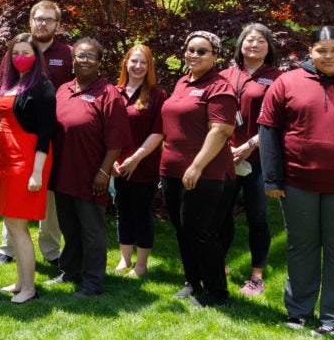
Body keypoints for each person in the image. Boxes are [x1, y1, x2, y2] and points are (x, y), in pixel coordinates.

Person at [259, 26, 334, 336]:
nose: (328, 55)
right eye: (322, 50)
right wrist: (272, 179)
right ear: (311, 51)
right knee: (301, 248)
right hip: (297, 182)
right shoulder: (287, 83)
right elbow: (268, 130)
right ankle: (298, 313)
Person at [0, 0, 72, 267]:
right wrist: (4, 125)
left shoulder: (67, 54)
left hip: (52, 136)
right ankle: (8, 248)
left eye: (49, 19)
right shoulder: (17, 50)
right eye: (39, 18)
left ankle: (50, 249)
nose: (43, 23)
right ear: (30, 21)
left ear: (57, 25)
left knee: (47, 193)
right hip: (19, 138)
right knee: (13, 192)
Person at [160, 31, 236, 307]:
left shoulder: (220, 87)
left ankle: (217, 293)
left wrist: (196, 166)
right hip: (172, 170)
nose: (194, 55)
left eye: (201, 51)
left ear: (215, 55)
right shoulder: (182, 82)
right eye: (190, 50)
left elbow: (221, 130)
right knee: (183, 230)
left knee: (203, 233)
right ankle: (193, 281)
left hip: (206, 172)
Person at [50, 38, 129, 297]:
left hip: (91, 175)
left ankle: (93, 281)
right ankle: (70, 271)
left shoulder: (109, 94)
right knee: (69, 227)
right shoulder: (63, 89)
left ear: (99, 62)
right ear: (72, 61)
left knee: (92, 230)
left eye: (89, 57)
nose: (83, 61)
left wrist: (104, 172)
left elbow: (116, 141)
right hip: (62, 172)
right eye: (79, 56)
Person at [0, 32, 56, 304]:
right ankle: (20, 281)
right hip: (5, 159)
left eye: (27, 53)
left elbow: (46, 132)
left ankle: (29, 289)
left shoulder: (42, 87)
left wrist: (37, 172)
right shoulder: (11, 83)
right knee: (10, 221)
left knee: (18, 225)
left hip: (28, 160)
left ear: (36, 57)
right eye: (16, 53)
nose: (21, 58)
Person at [218, 24, 281, 296]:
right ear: (240, 45)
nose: (253, 45)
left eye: (260, 41)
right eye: (248, 40)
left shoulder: (278, 79)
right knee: (220, 215)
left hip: (257, 157)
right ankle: (217, 264)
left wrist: (248, 145)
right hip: (223, 157)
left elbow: (279, 122)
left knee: (257, 217)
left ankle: (256, 275)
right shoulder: (224, 75)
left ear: (269, 48)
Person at [112, 44, 166, 277]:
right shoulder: (114, 92)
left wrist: (135, 159)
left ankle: (141, 264)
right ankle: (124, 259)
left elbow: (158, 132)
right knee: (122, 211)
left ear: (149, 66)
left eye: (143, 62)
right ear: (126, 63)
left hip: (144, 163)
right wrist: (112, 160)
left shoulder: (158, 95)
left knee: (142, 213)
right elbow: (108, 130)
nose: (138, 66)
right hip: (118, 166)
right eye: (134, 61)